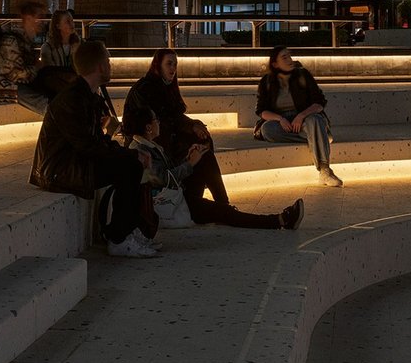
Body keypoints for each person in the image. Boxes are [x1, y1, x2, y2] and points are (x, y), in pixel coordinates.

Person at [30, 41, 158, 258]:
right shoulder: (71, 99)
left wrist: (131, 153)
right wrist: (131, 154)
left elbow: (96, 141)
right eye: (108, 61)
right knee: (129, 166)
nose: (110, 65)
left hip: (74, 161)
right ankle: (119, 239)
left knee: (131, 163)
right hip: (58, 171)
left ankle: (123, 232)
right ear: (99, 66)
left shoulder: (87, 95)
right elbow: (88, 145)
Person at [124, 106, 304, 230]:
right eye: (155, 120)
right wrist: (189, 164)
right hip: (173, 205)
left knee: (206, 156)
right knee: (224, 213)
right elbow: (164, 180)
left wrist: (190, 158)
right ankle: (280, 220)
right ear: (148, 127)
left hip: (178, 195)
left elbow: (168, 175)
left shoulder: (150, 145)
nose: (159, 123)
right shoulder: (140, 151)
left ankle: (223, 203)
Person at [123, 48, 230, 212]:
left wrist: (194, 125)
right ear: (158, 65)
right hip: (149, 145)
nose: (173, 68)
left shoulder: (167, 87)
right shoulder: (144, 88)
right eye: (169, 63)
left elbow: (174, 117)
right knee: (201, 152)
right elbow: (156, 125)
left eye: (175, 64)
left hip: (166, 138)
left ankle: (210, 202)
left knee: (202, 143)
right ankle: (213, 204)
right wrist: (191, 126)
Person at [255, 46, 342, 187]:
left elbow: (320, 103)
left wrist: (301, 116)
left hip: (305, 119)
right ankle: (321, 136)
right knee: (267, 130)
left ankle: (325, 170)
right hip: (283, 122)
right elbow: (261, 111)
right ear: (275, 64)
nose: (290, 59)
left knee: (315, 120)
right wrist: (280, 119)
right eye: (284, 57)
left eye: (289, 56)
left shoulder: (303, 75)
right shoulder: (266, 81)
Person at [0, 0, 49, 115]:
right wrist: (36, 68)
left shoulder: (27, 42)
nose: (43, 21)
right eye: (39, 17)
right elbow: (12, 75)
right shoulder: (13, 41)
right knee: (37, 99)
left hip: (12, 84)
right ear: (28, 18)